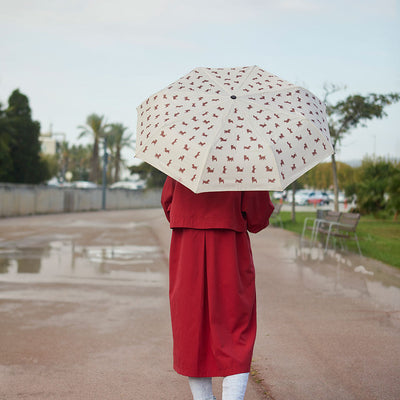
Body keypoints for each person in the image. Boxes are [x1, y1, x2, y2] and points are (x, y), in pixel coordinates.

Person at [161, 177, 274, 400]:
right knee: (235, 331)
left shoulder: (186, 159)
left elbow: (168, 205)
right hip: (228, 254)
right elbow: (258, 219)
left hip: (187, 254)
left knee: (192, 331)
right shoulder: (245, 162)